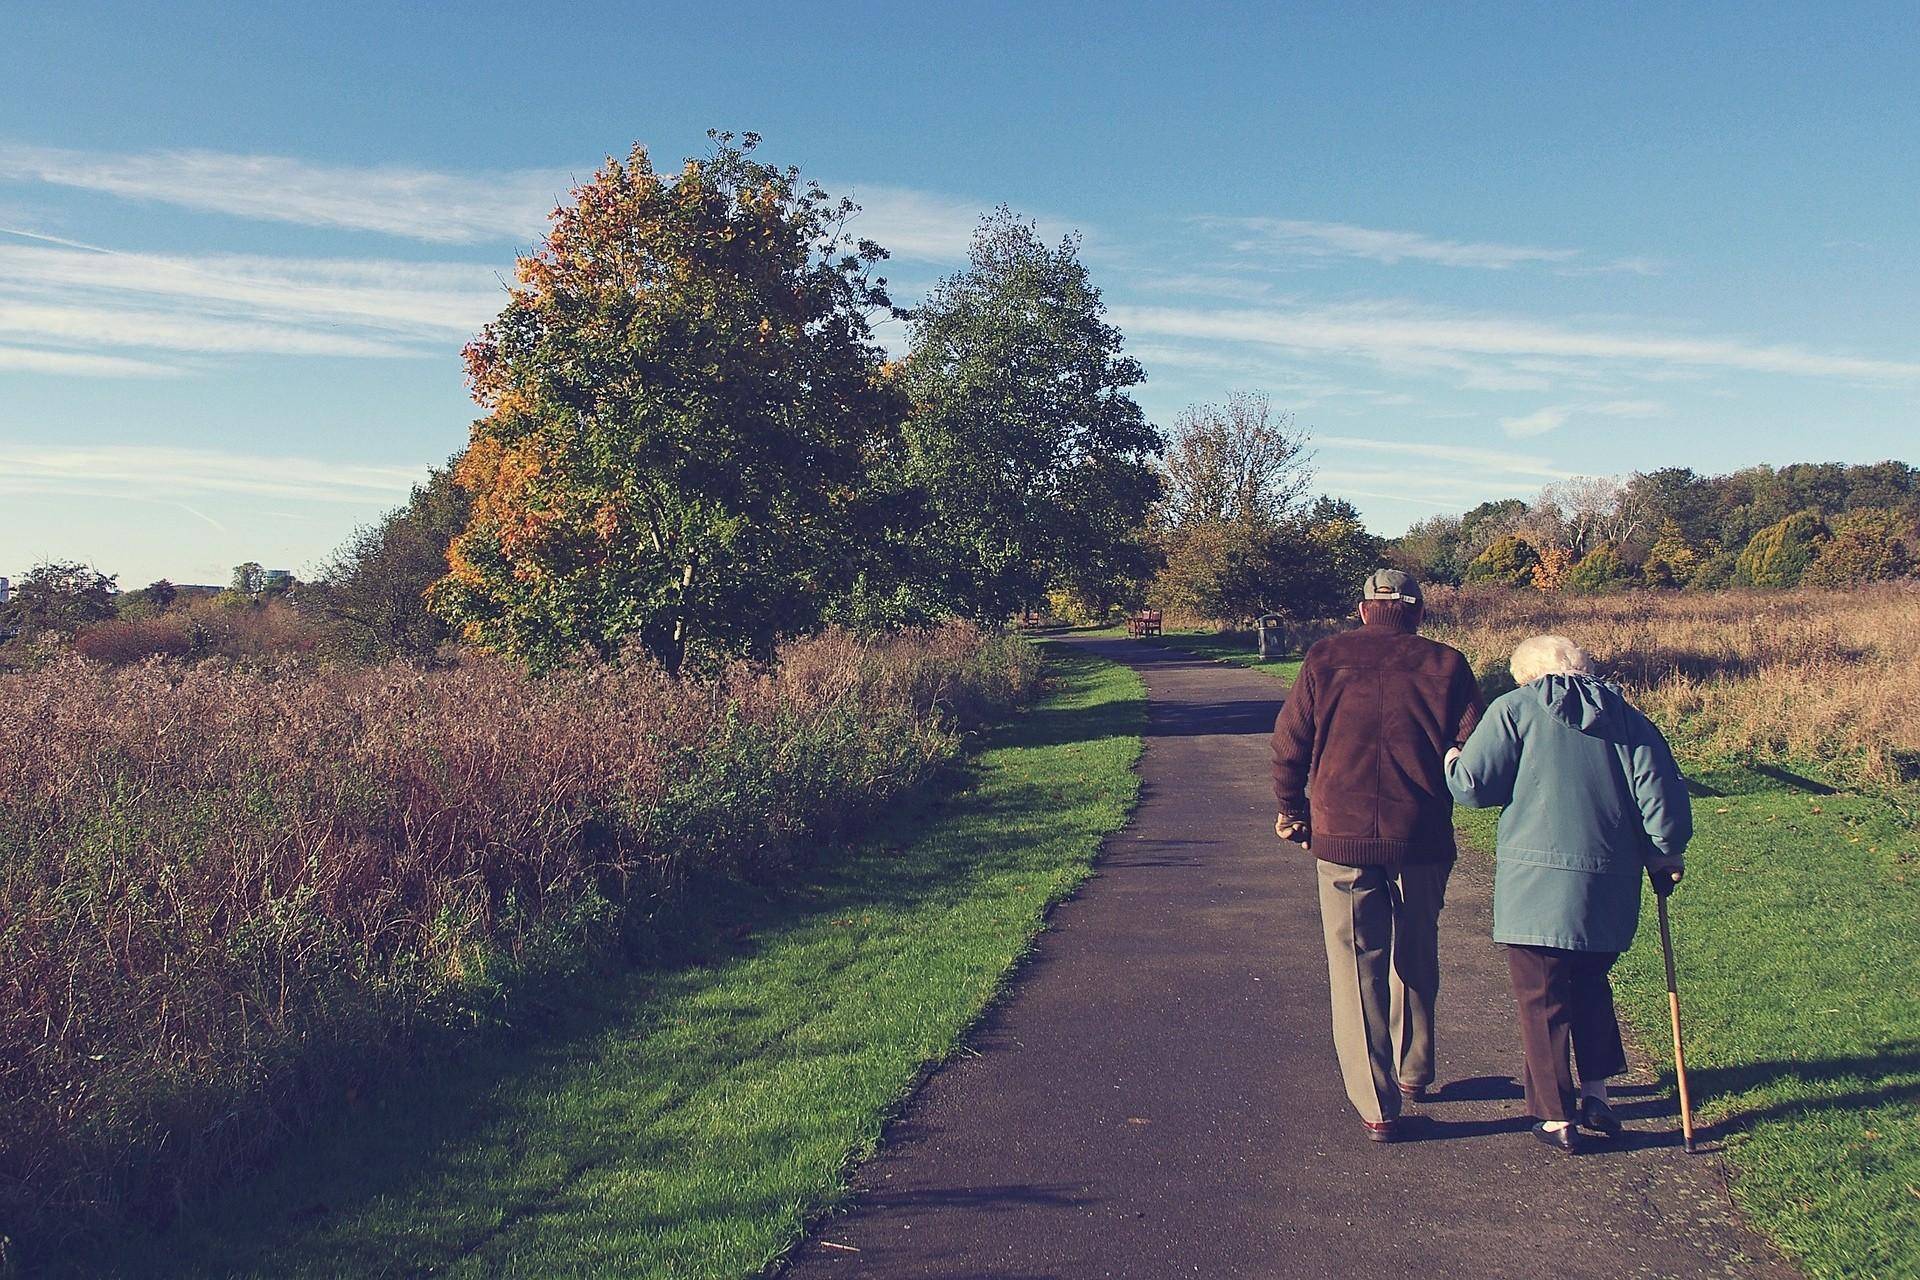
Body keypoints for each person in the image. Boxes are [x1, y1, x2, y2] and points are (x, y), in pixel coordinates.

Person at [1445, 635, 1691, 1154]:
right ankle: (1597, 1094)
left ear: (1528, 676)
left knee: (1542, 996)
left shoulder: (1514, 709)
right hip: (1609, 884)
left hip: (1535, 884)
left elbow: (1472, 786)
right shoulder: (1629, 719)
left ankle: (1556, 1116)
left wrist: (1451, 757)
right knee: (1590, 984)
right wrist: (1666, 853)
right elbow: (1661, 802)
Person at [1270, 569, 1484, 1142]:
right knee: (1417, 948)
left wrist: (1292, 808)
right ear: (1417, 611)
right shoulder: (1448, 665)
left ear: (1364, 609)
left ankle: (1378, 1104)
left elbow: (1289, 742)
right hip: (1423, 834)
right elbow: (1473, 749)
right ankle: (1415, 1069)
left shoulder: (1324, 658)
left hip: (1342, 833)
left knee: (1355, 964)